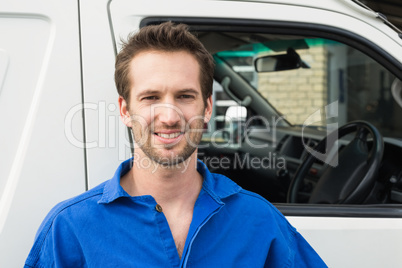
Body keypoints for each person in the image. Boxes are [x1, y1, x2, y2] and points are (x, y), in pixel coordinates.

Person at [25, 22, 327, 267]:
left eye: (184, 96)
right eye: (151, 97)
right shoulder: (69, 229)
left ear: (207, 108)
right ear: (125, 110)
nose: (169, 116)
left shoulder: (258, 221)